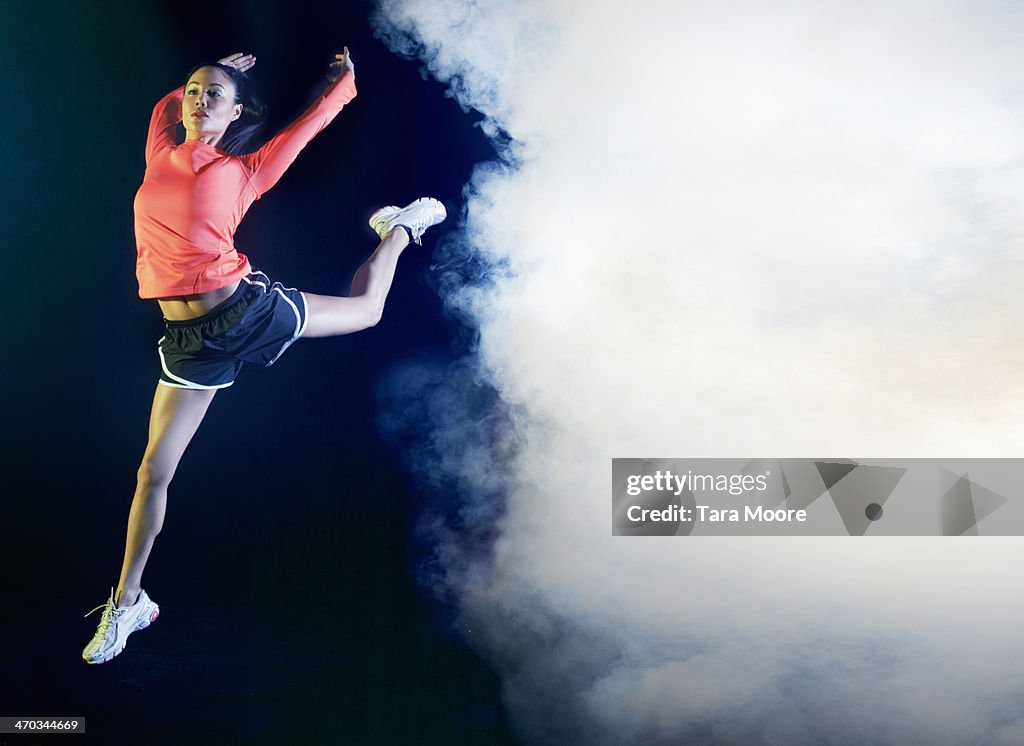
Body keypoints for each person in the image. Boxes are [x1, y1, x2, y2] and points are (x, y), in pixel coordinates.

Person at [82, 49, 446, 664]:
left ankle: (401, 230)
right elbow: (163, 106)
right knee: (153, 473)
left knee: (366, 311)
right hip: (189, 342)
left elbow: (308, 128)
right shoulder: (159, 153)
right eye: (195, 92)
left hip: (246, 312)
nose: (200, 101)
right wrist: (204, 77)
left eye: (215, 96)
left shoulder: (246, 169)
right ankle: (129, 605)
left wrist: (343, 81)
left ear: (238, 112)